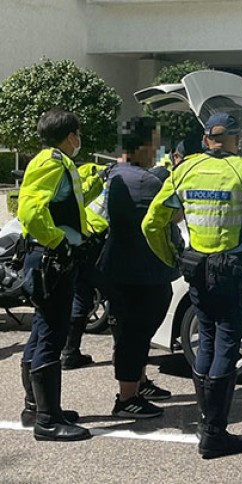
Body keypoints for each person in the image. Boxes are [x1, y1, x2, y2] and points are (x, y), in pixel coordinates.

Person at [142, 112, 242, 459]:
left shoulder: (184, 170)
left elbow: (152, 222)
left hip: (197, 269)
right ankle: (215, 433)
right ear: (235, 139)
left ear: (206, 140)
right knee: (227, 344)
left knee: (205, 341)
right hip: (233, 271)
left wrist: (172, 255)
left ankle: (207, 426)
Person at [17, 110, 93, 441]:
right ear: (69, 135)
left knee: (42, 328)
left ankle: (36, 407)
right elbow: (31, 211)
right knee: (52, 333)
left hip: (47, 258)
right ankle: (47, 421)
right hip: (51, 259)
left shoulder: (57, 161)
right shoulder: (51, 161)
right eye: (78, 133)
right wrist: (58, 240)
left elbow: (68, 204)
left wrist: (97, 183)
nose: (80, 139)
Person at [100, 117, 179, 419]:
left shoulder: (114, 173)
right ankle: (127, 398)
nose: (158, 149)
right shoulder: (147, 182)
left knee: (130, 331)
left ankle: (138, 383)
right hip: (140, 270)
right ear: (145, 146)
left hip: (118, 266)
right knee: (136, 332)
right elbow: (174, 216)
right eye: (156, 143)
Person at [61, 162, 110, 370]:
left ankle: (69, 352)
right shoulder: (112, 179)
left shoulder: (81, 173)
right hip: (97, 243)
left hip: (79, 241)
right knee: (115, 296)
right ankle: (127, 360)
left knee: (81, 296)